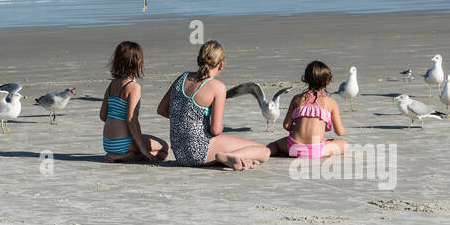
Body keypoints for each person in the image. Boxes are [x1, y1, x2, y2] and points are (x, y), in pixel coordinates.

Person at [158, 40, 273, 170]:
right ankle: (227, 156)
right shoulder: (217, 87)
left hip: (180, 153)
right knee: (263, 151)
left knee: (245, 148)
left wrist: (186, 120)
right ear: (221, 65)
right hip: (200, 150)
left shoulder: (182, 77)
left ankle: (230, 157)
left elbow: (161, 110)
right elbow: (216, 130)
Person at [101, 41, 169, 163]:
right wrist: (142, 149)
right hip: (123, 143)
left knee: (152, 150)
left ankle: (123, 154)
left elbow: (102, 116)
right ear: (138, 62)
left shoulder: (111, 85)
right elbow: (131, 120)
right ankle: (124, 156)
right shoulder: (133, 87)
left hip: (108, 144)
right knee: (164, 148)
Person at [267, 60, 348, 159]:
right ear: (327, 81)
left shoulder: (297, 99)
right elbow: (340, 132)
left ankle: (264, 152)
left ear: (305, 79)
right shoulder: (331, 103)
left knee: (275, 145)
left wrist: (297, 128)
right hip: (316, 150)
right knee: (344, 145)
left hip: (294, 147)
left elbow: (286, 125)